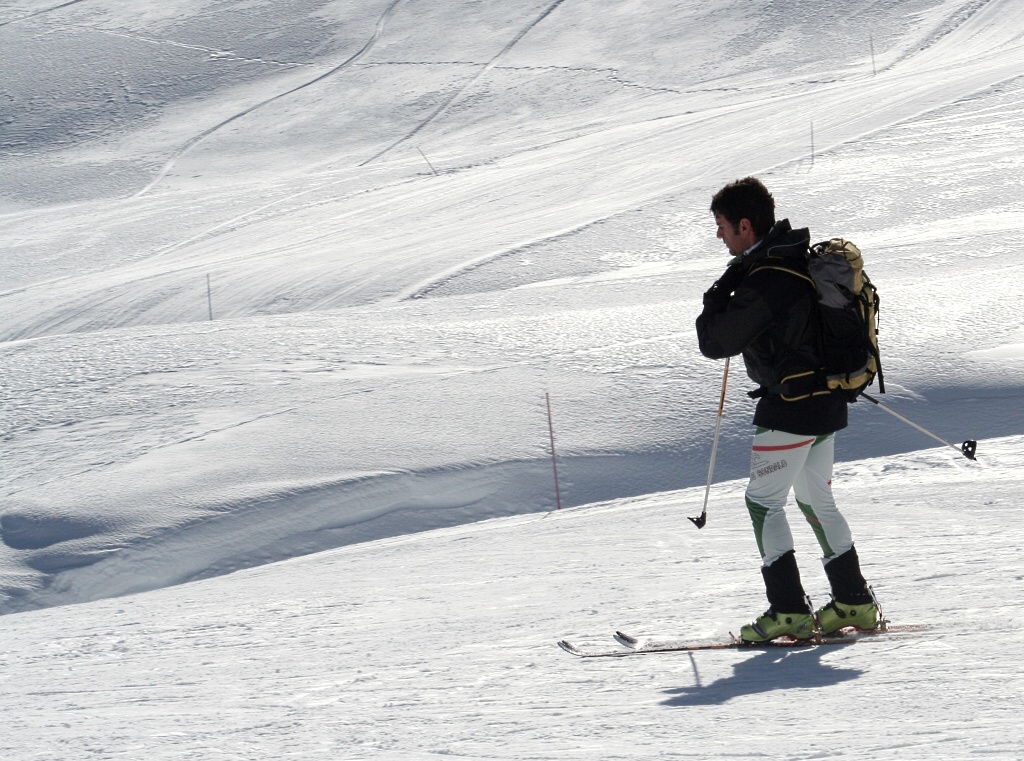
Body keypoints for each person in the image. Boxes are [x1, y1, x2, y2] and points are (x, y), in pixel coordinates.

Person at [695, 177, 879, 643]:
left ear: (744, 225)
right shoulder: (794, 259)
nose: (719, 236)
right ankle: (853, 601)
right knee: (816, 499)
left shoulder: (770, 276)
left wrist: (719, 292)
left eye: (721, 227)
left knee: (762, 503)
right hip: (826, 402)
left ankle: (788, 611)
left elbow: (715, 341)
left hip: (790, 409)